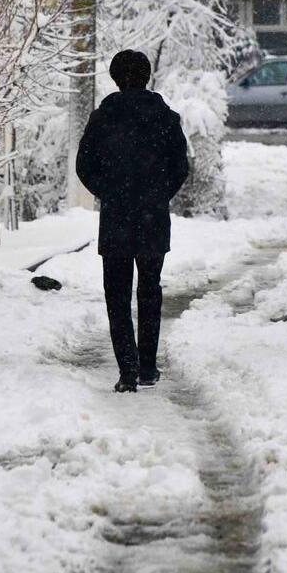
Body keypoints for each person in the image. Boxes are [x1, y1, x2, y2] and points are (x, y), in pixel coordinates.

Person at [76, 50, 190, 393]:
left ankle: (127, 369)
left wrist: (109, 191)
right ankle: (148, 367)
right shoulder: (166, 118)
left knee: (118, 294)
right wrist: (158, 194)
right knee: (150, 291)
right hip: (153, 217)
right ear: (147, 76)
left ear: (114, 78)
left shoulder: (103, 117)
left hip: (117, 218)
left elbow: (84, 165)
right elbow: (180, 168)